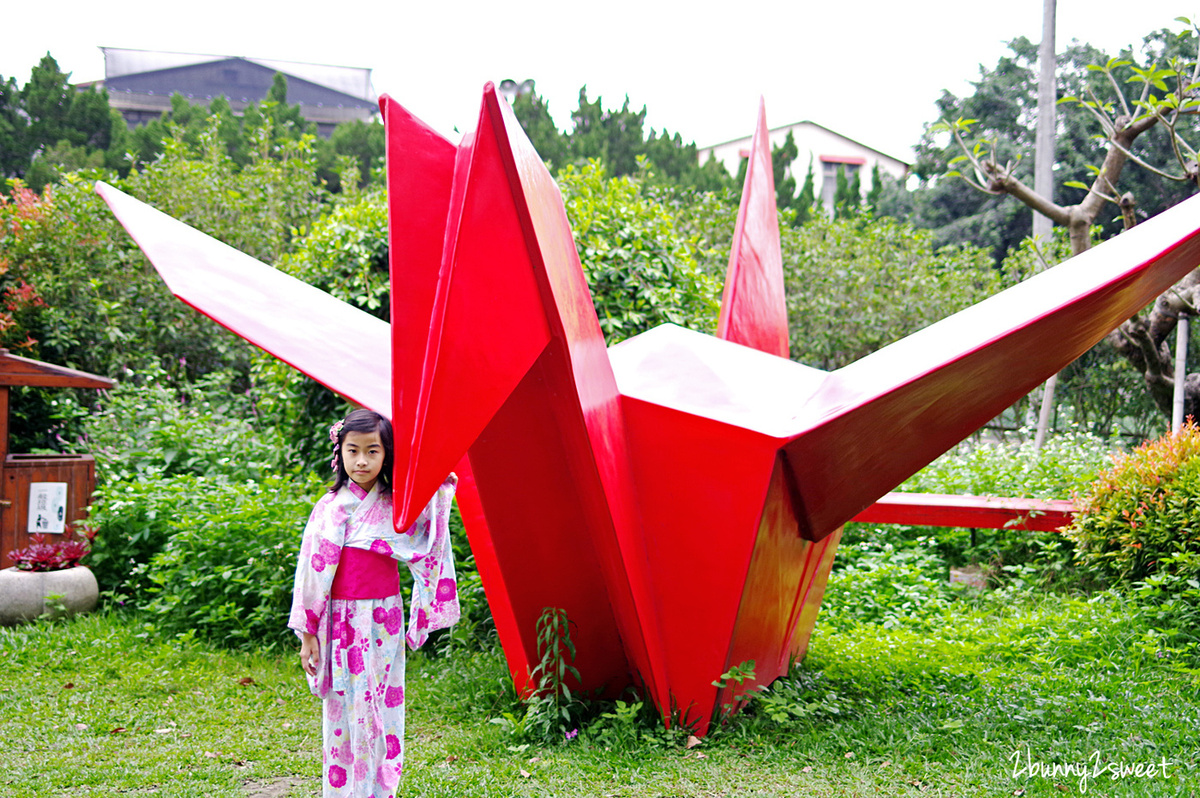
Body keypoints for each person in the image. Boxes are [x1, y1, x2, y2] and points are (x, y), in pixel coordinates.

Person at [288, 408, 459, 797]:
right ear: (340, 454)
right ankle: (344, 789)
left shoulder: (397, 505)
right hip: (340, 618)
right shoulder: (330, 509)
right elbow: (311, 575)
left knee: (382, 701)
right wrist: (307, 633)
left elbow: (428, 528)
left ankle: (379, 789)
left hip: (384, 617)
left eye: (372, 451)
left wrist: (438, 486)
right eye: (353, 451)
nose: (362, 461)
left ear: (386, 456)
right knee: (343, 706)